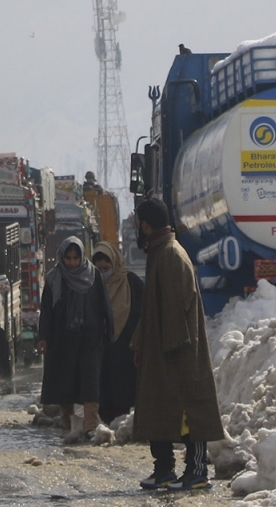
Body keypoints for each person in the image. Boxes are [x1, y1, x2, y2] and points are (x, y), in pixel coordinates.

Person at [131, 198, 224, 490]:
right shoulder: (159, 251)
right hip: (162, 352)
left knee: (189, 411)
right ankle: (164, 470)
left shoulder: (170, 254)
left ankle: (197, 471)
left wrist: (167, 352)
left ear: (147, 225)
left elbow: (174, 310)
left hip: (177, 354)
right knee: (159, 411)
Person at [36, 235, 113, 443]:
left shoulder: (93, 276)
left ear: (81, 257)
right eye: (68, 258)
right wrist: (43, 337)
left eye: (75, 258)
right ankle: (68, 425)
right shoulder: (54, 279)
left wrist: (108, 333)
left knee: (90, 382)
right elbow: (47, 311)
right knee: (65, 385)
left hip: (90, 338)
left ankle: (89, 425)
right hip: (62, 340)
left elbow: (104, 305)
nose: (71, 263)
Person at [94, 240, 145, 425]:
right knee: (104, 392)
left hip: (127, 349)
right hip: (102, 350)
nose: (103, 271)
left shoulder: (131, 282)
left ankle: (125, 424)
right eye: (98, 269)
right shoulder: (92, 285)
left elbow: (144, 313)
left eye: (106, 267)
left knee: (126, 390)